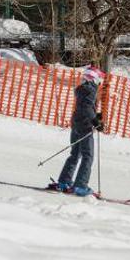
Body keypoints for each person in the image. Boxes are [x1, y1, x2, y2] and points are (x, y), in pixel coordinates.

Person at [49, 66, 105, 196]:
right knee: (87, 156)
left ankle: (64, 181)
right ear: (94, 79)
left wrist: (95, 115)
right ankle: (80, 185)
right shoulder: (91, 91)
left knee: (75, 154)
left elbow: (84, 108)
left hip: (76, 124)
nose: (100, 82)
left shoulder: (81, 90)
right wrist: (95, 121)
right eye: (99, 79)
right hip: (85, 127)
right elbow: (86, 108)